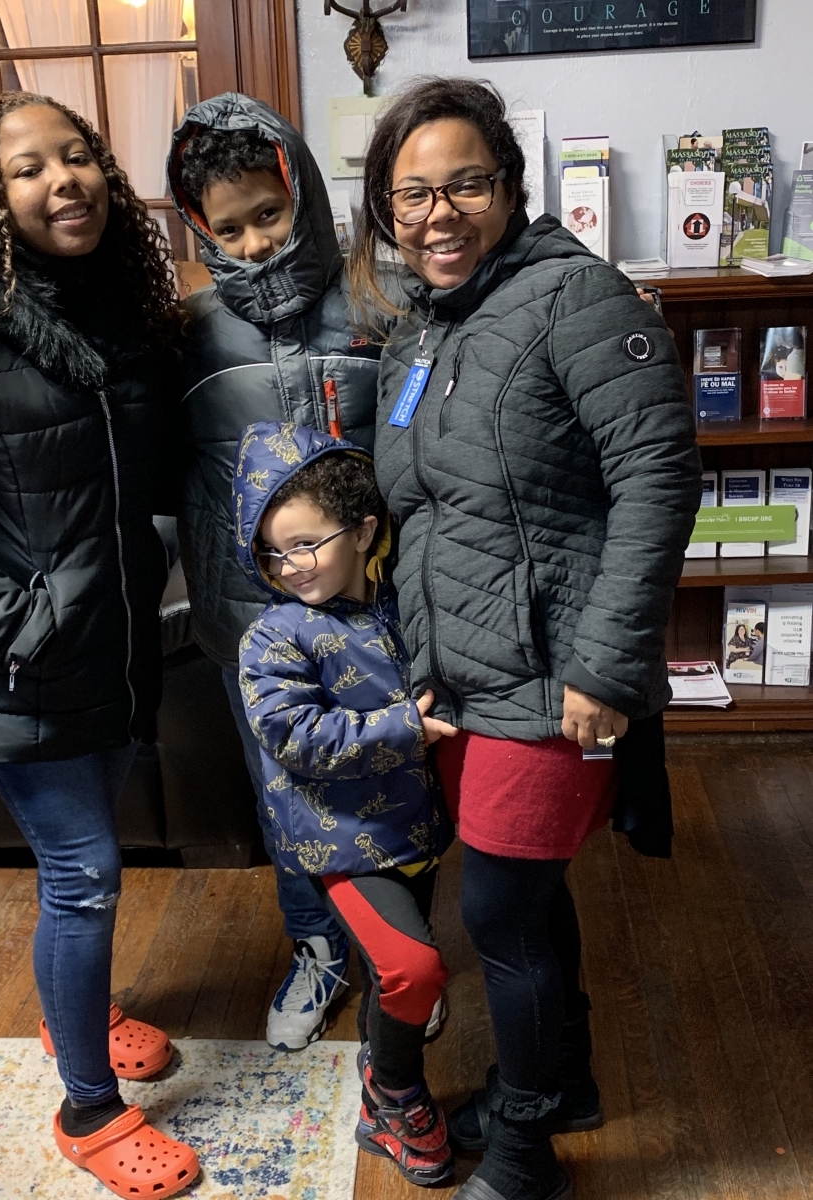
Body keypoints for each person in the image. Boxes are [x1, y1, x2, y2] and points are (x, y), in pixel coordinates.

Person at [349, 77, 702, 1200]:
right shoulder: (417, 335)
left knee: (500, 915)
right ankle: (572, 1080)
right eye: (412, 195)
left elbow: (657, 478)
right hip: (458, 676)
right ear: (384, 209)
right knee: (527, 904)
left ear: (510, 186)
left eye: (465, 185)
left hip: (554, 679)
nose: (438, 214)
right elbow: (416, 513)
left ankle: (523, 1153)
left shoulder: (577, 300)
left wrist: (605, 667)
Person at [0, 93, 198, 1198]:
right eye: (27, 168)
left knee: (80, 872)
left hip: (113, 653)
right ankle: (87, 1109)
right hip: (21, 665)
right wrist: (28, 621)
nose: (63, 180)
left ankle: (70, 1014)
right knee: (84, 876)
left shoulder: (122, 318)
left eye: (77, 156)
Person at [166, 94, 385, 1051]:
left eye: (269, 213)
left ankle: (392, 950)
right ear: (199, 231)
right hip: (253, 621)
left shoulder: (383, 306)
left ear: (302, 194)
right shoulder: (188, 336)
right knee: (284, 791)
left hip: (381, 605)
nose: (253, 242)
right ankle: (316, 947)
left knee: (390, 779)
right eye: (229, 227)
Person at [233, 420, 456, 1186]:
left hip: (414, 827)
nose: (288, 565)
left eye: (305, 544)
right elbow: (295, 734)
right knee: (416, 970)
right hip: (342, 842)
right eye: (272, 550)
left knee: (396, 974)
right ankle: (391, 1096)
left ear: (363, 531)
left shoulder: (399, 602)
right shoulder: (272, 638)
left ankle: (380, 1058)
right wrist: (407, 730)